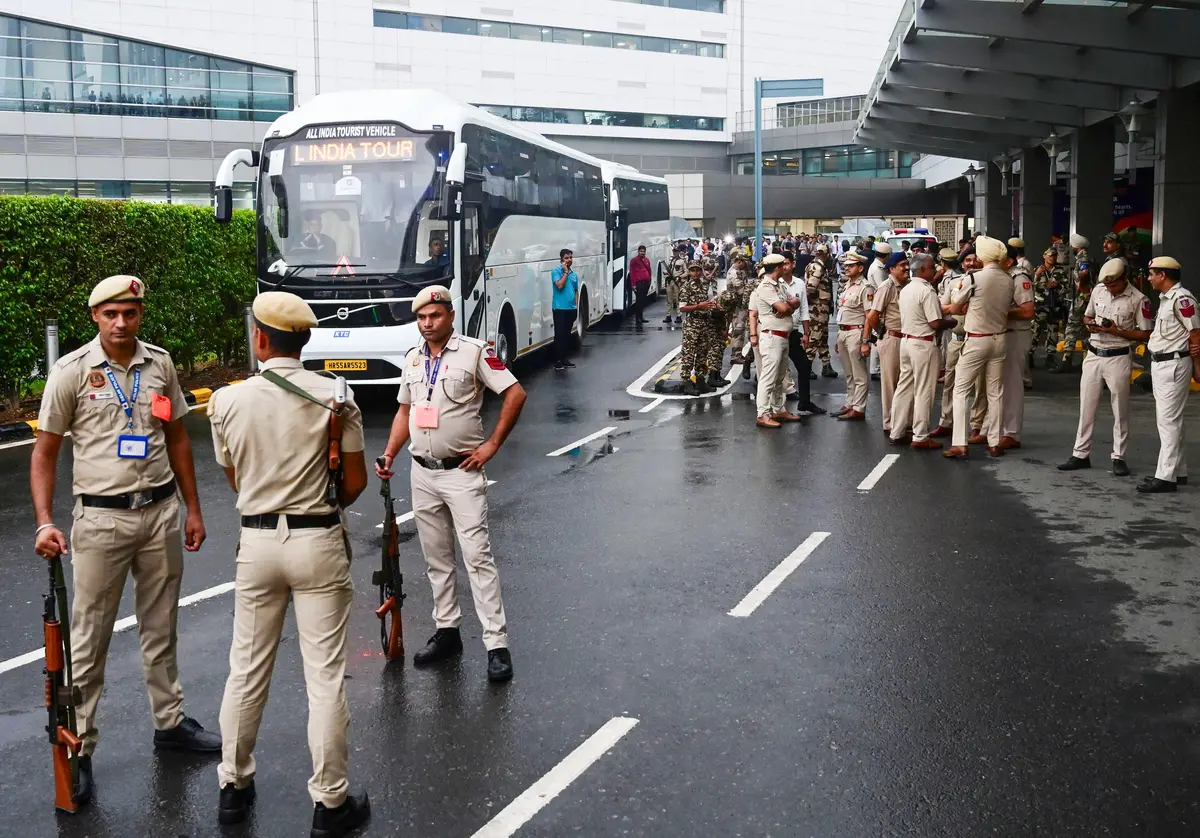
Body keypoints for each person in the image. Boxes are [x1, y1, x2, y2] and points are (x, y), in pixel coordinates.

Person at [30, 274, 217, 808]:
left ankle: (171, 724)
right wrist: (45, 521)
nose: (120, 323)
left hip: (159, 514)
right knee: (89, 640)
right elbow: (44, 453)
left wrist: (194, 509)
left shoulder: (160, 365)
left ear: (139, 315)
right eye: (110, 314)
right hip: (101, 522)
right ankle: (81, 748)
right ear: (95, 316)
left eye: (129, 313)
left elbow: (178, 437)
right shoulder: (71, 372)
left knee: (162, 627)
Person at [208, 292, 371, 835]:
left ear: (259, 338)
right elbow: (353, 482)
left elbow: (234, 477)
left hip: (255, 543)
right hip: (317, 539)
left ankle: (233, 785)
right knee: (324, 678)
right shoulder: (337, 398)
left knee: (246, 670)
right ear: (305, 340)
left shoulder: (226, 402)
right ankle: (330, 802)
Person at [377, 285, 526, 673]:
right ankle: (447, 631)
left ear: (450, 315)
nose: (427, 324)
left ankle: (496, 645)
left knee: (477, 558)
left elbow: (515, 393)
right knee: (436, 558)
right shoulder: (412, 360)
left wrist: (492, 445)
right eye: (421, 318)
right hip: (422, 473)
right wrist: (390, 452)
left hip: (462, 472)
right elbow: (403, 412)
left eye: (435, 316)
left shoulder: (475, 352)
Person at [1056, 259, 1152, 477]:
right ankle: (1080, 454)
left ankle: (1119, 456)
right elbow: (1087, 315)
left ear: (1124, 279)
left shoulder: (1138, 299)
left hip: (1118, 355)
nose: (1109, 288)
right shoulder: (1099, 290)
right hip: (1093, 353)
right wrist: (1090, 324)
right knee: (1086, 406)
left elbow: (1146, 334)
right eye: (1107, 285)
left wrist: (1117, 331)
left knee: (1120, 409)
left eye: (1114, 285)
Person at [943, 236, 1014, 459]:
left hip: (976, 339)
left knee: (961, 390)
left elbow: (955, 306)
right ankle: (994, 442)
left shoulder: (974, 278)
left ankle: (959, 443)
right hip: (999, 339)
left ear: (982, 257)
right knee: (995, 393)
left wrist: (951, 305)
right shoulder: (1008, 279)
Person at [1137, 257, 1200, 493]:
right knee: (1173, 421)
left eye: (1152, 273)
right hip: (1162, 364)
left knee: (1168, 422)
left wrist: (1197, 365)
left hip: (1173, 364)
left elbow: (1196, 333)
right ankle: (1178, 471)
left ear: (1163, 275)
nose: (1149, 277)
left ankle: (1165, 477)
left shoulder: (1182, 298)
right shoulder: (1166, 299)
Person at [888, 253, 946, 449]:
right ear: (922, 270)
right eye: (932, 267)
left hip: (907, 341)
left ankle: (897, 431)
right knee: (924, 391)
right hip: (923, 343)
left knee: (904, 388)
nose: (935, 269)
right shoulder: (926, 291)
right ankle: (920, 436)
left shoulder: (906, 289)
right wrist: (951, 321)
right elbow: (935, 322)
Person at [748, 253, 801, 428]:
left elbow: (795, 302)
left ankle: (778, 409)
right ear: (777, 267)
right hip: (772, 336)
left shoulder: (778, 285)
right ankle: (762, 413)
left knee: (779, 377)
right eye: (782, 265)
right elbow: (784, 306)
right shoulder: (765, 286)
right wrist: (787, 306)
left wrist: (788, 306)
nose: (785, 268)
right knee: (768, 377)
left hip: (783, 335)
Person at [997, 243, 1037, 450]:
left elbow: (1028, 311)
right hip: (1003, 333)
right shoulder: (1002, 277)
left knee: (1012, 384)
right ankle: (999, 428)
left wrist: (1000, 311)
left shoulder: (1019, 278)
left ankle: (1012, 433)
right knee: (1001, 384)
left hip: (1016, 334)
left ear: (1009, 261)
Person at [865, 253, 908, 436]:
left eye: (907, 264)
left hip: (905, 338)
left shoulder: (906, 286)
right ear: (891, 269)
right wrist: (880, 334)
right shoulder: (886, 287)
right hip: (892, 338)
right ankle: (890, 424)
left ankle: (903, 421)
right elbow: (873, 316)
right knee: (890, 384)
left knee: (903, 384)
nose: (906, 268)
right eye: (902, 265)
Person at [783, 252, 825, 416]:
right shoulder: (774, 284)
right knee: (776, 370)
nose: (784, 266)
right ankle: (772, 408)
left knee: (804, 366)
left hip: (793, 332)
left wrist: (806, 333)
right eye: (782, 264)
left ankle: (805, 402)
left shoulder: (800, 283)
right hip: (777, 333)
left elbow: (804, 311)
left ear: (793, 264)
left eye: (787, 263)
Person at [833, 253, 873, 421]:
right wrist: (838, 337)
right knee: (848, 372)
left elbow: (869, 315)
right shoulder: (847, 285)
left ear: (861, 268)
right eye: (845, 265)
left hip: (856, 332)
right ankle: (850, 402)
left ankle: (859, 407)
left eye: (851, 265)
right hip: (843, 331)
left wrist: (865, 341)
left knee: (859, 374)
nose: (846, 268)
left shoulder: (866, 287)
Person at [678, 261, 720, 395]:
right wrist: (698, 306)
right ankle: (686, 382)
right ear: (689, 272)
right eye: (692, 270)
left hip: (704, 323)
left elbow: (705, 303)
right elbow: (682, 307)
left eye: (697, 270)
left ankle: (700, 380)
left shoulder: (703, 285)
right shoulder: (686, 287)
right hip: (692, 325)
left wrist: (710, 306)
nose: (695, 273)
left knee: (703, 353)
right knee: (689, 354)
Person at [1057, 233, 1093, 371]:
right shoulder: (1085, 257)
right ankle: (1085, 361)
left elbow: (1083, 273)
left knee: (1071, 326)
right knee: (1084, 329)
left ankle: (1067, 359)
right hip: (1085, 296)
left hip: (1082, 297)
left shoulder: (1083, 258)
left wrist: (1082, 289)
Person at [805, 244, 838, 380]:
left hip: (821, 308)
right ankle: (807, 366)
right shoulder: (817, 267)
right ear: (824, 254)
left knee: (823, 337)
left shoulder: (816, 266)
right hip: (818, 308)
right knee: (815, 337)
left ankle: (826, 365)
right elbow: (810, 288)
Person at [1032, 248, 1068, 370]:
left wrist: (1057, 285)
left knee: (1053, 332)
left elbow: (1066, 287)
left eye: (1054, 256)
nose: (1052, 258)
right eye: (1050, 256)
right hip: (1041, 306)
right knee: (1035, 331)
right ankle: (1030, 355)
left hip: (1055, 306)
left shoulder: (1060, 271)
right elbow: (1031, 286)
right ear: (1044, 256)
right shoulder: (1038, 270)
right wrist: (1039, 278)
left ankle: (1050, 357)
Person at [724, 253, 753, 378]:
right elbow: (741, 290)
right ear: (739, 261)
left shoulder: (739, 271)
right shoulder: (734, 273)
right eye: (744, 262)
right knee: (738, 329)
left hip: (740, 304)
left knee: (739, 329)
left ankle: (738, 353)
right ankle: (735, 355)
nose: (746, 264)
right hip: (737, 305)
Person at [551, 248, 578, 371]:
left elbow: (576, 291)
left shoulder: (574, 275)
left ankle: (564, 358)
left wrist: (576, 306)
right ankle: (558, 360)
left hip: (571, 309)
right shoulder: (556, 271)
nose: (569, 260)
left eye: (571, 257)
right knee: (560, 334)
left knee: (567, 334)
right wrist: (565, 272)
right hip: (559, 308)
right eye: (566, 258)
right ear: (561, 259)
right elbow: (560, 286)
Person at [629, 244, 653, 325]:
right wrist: (633, 285)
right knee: (639, 301)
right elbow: (632, 273)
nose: (642, 253)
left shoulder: (647, 260)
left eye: (644, 251)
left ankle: (641, 317)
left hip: (646, 282)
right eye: (641, 251)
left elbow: (649, 270)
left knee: (643, 301)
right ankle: (637, 318)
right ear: (638, 252)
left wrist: (650, 281)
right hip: (639, 283)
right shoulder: (634, 261)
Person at [666, 245, 687, 324]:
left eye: (676, 251)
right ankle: (668, 315)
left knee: (678, 299)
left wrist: (680, 277)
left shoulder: (682, 261)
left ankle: (679, 315)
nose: (675, 253)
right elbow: (667, 269)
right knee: (669, 299)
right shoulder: (670, 261)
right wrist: (665, 272)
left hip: (677, 282)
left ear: (679, 252)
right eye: (674, 251)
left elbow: (686, 272)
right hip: (670, 281)